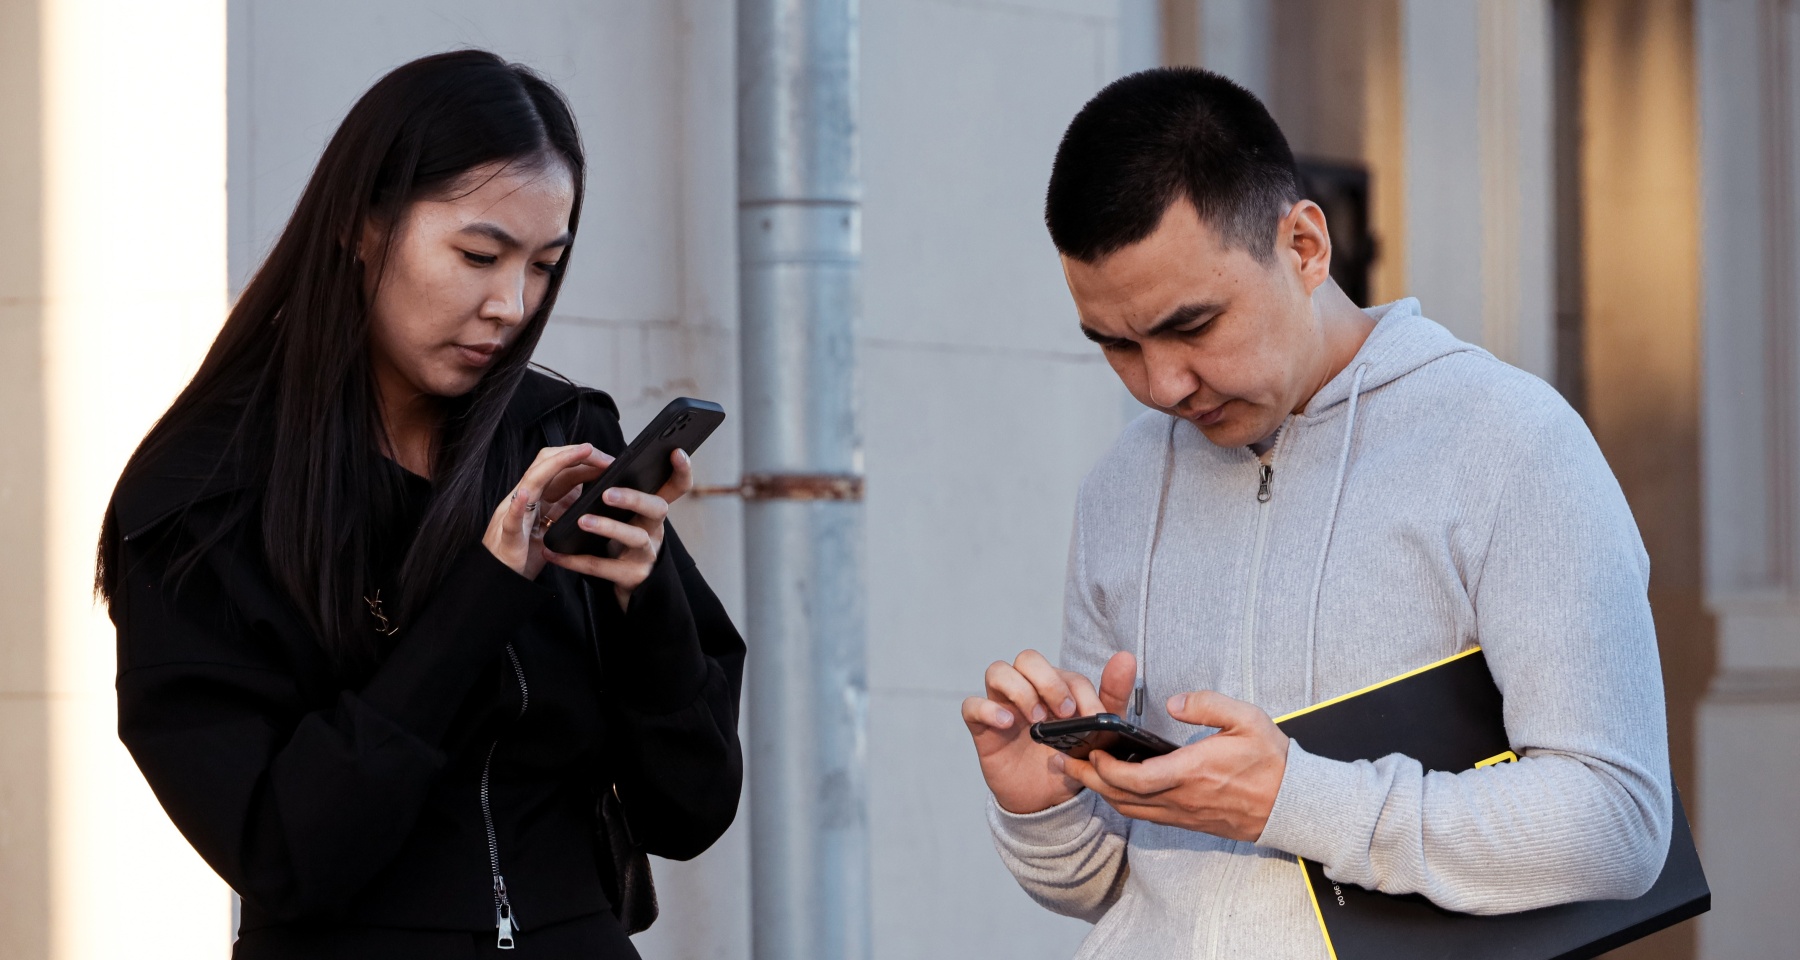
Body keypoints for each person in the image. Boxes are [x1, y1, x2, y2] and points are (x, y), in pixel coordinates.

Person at [961, 68, 1671, 959]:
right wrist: (1049, 805)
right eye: (1117, 344)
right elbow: (1110, 887)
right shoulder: (1121, 486)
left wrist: (1291, 800)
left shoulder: (1510, 441)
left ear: (1303, 245)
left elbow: (1618, 824)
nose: (1161, 385)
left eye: (1193, 326)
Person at [96, 50, 743, 958]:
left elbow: (692, 811)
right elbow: (288, 853)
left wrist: (647, 607)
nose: (510, 305)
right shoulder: (203, 497)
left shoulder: (553, 441)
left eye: (544, 266)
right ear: (364, 225)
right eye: (478, 255)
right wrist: (488, 586)